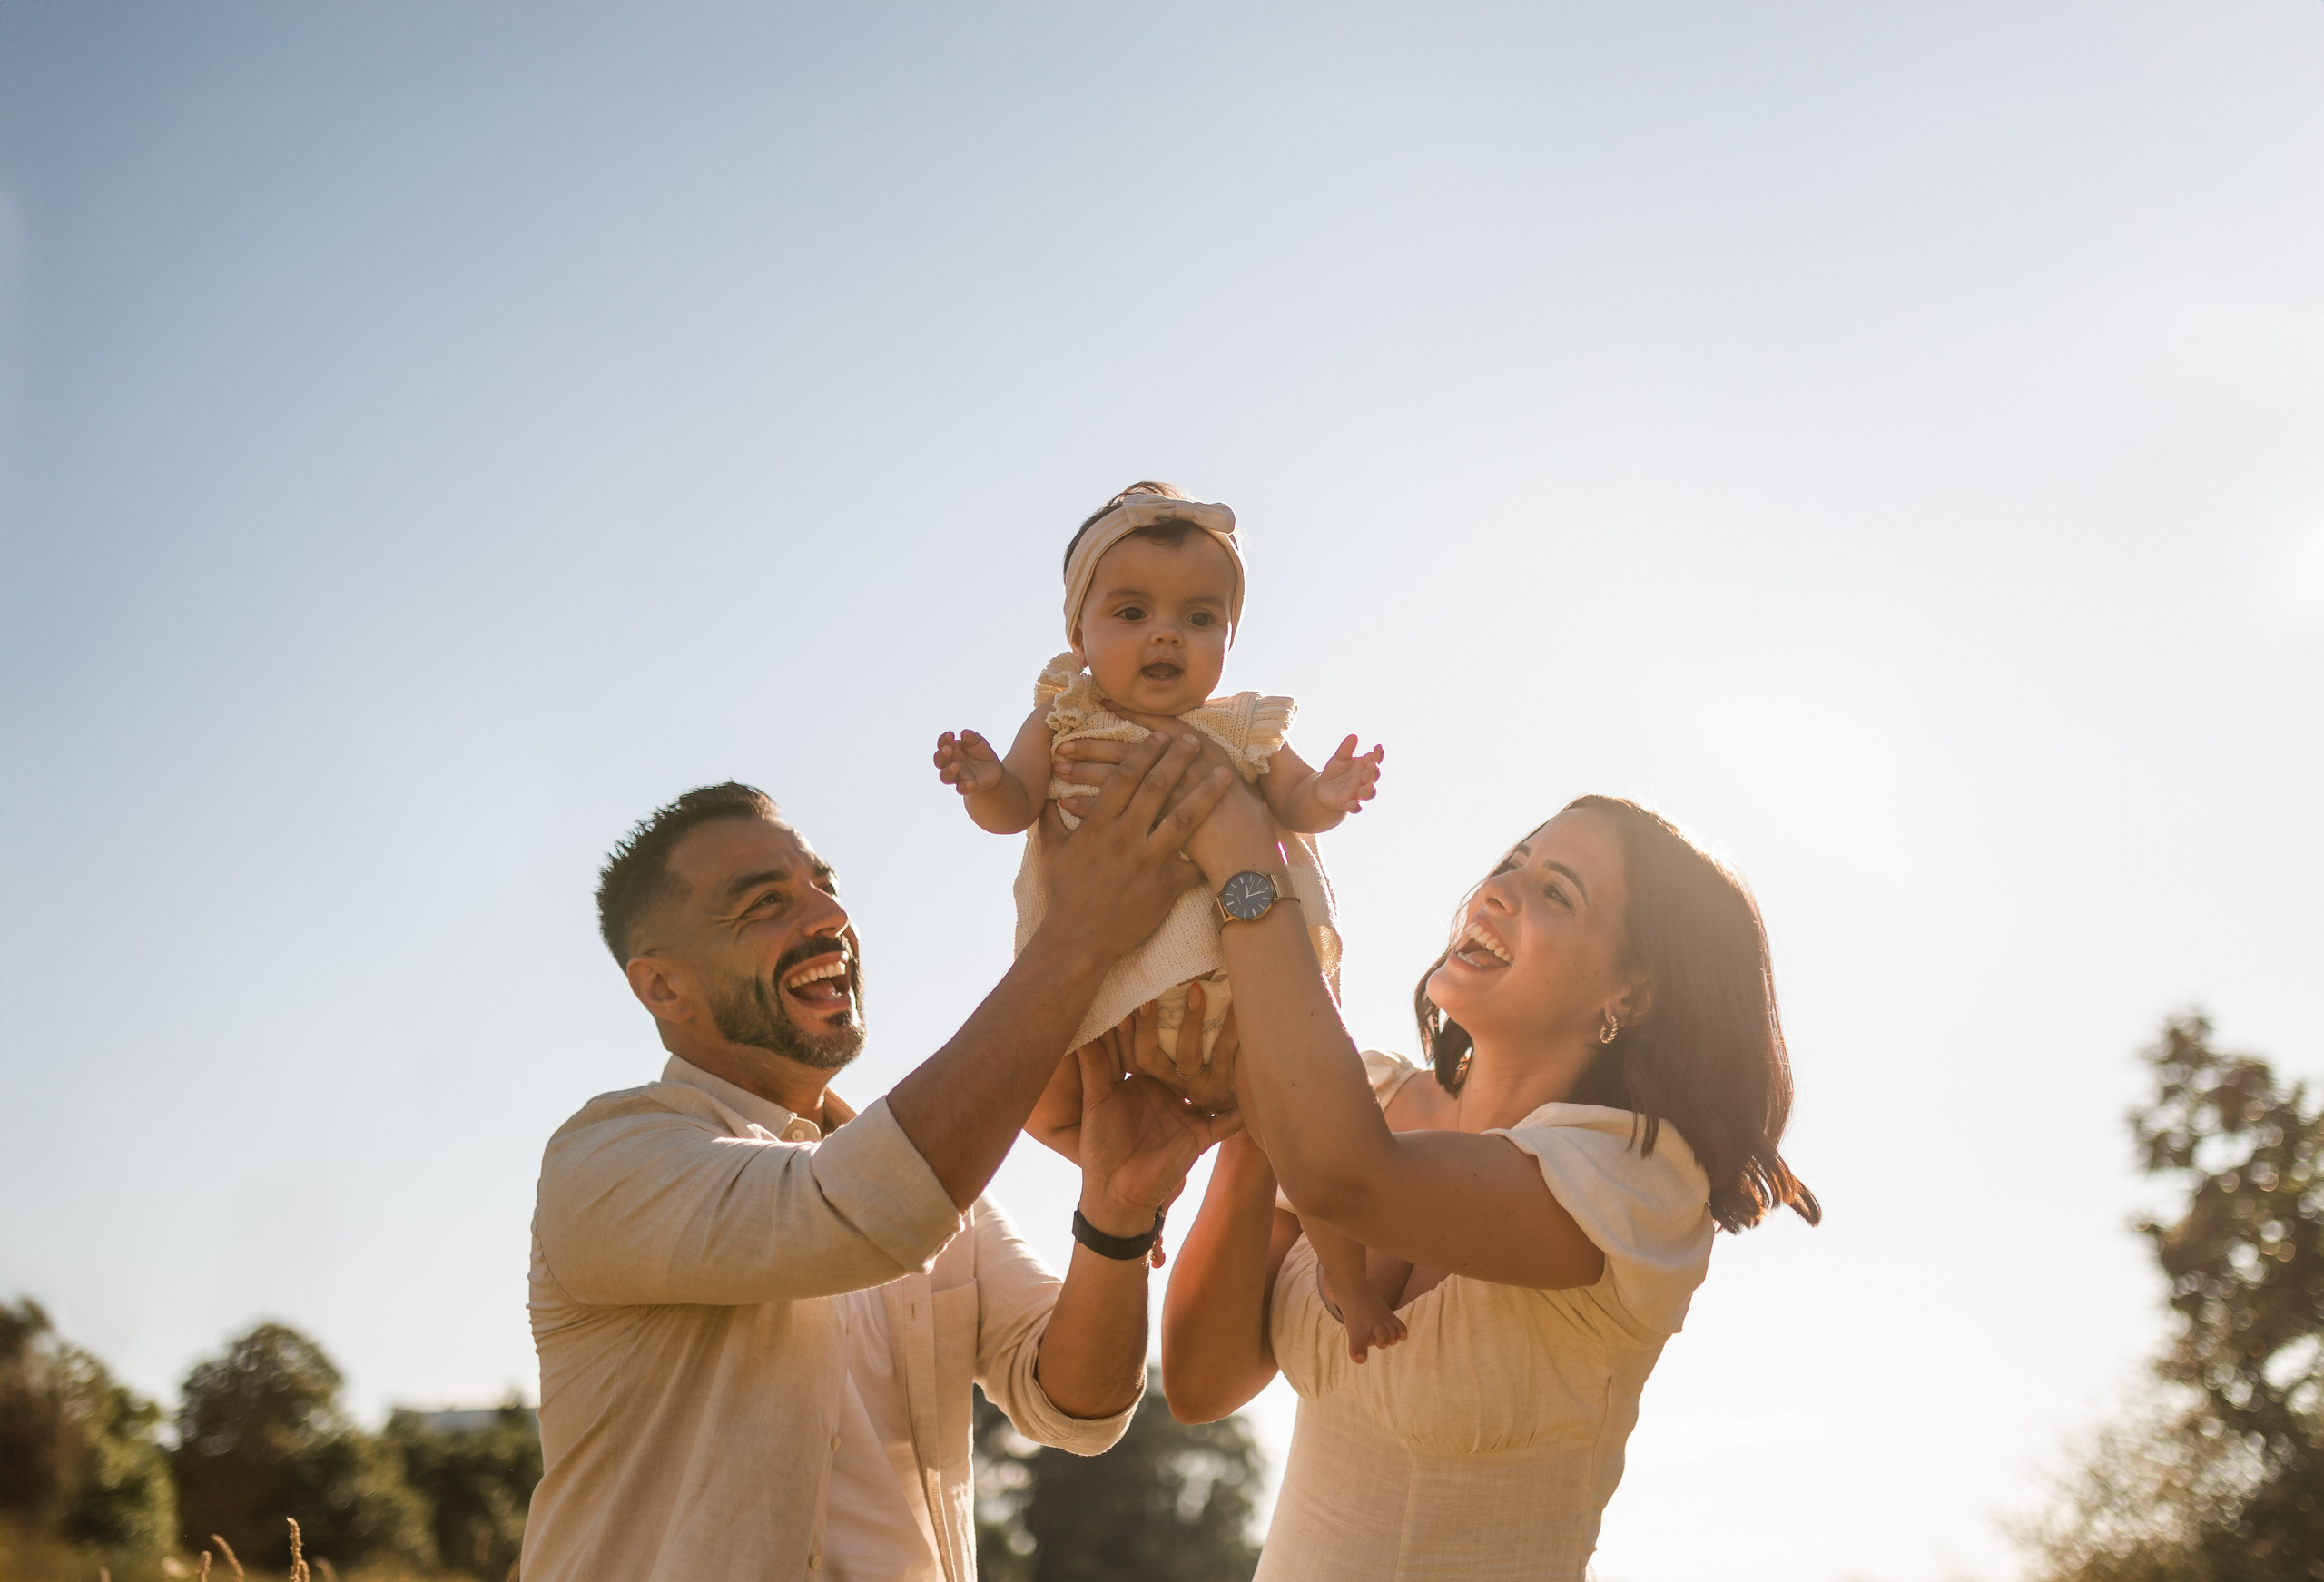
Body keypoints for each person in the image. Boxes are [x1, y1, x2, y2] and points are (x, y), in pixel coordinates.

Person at [1081, 740, 1819, 1578]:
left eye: (1554, 893)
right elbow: (1201, 1383)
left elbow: (1348, 1179)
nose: (1497, 891)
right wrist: (1253, 1135)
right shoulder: (1364, 1102)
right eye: (1512, 862)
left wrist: (1248, 859)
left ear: (1632, 993)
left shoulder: (1634, 1179)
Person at [520, 744, 1241, 1582]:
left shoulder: (924, 1185)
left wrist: (1115, 1217)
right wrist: (1077, 935)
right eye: (763, 903)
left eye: (822, 882)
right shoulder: (606, 1159)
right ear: (663, 989)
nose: (827, 914)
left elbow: (1076, 1407)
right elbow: (854, 1215)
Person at [931, 479, 1402, 1360]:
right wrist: (988, 779)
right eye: (1132, 611)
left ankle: (1344, 1275)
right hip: (1115, 998)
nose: (1165, 634)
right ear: (1079, 634)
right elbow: (1013, 806)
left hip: (1234, 998)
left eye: (1198, 619)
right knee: (1049, 1099)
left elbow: (1294, 803)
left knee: (1288, 1122)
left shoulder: (1242, 730)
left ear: (1228, 639)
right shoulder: (1062, 716)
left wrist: (1329, 792)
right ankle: (1125, 1199)